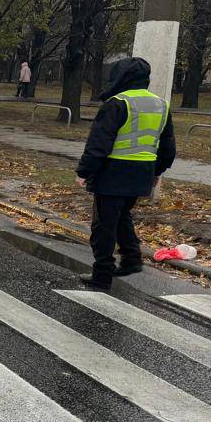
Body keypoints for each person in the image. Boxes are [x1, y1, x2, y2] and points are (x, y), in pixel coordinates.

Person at [75, 57, 176, 291]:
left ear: (121, 77)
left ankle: (102, 275)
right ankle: (131, 258)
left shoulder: (117, 103)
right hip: (142, 174)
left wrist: (84, 171)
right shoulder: (161, 105)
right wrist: (157, 171)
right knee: (121, 217)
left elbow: (99, 144)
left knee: (103, 226)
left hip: (113, 173)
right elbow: (168, 147)